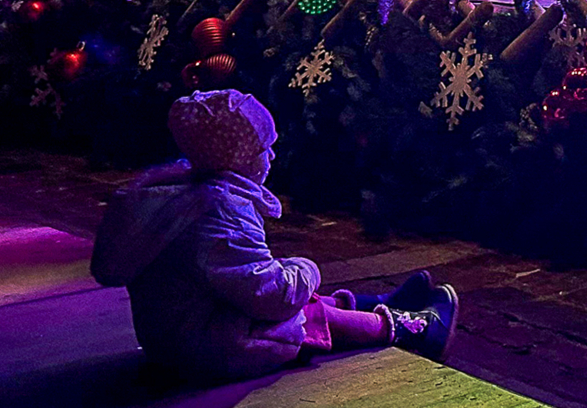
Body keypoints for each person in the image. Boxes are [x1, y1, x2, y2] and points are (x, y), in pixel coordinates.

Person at [91, 89, 457, 381]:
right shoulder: (216, 213)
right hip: (204, 349)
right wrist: (307, 267)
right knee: (297, 309)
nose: (272, 157)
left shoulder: (183, 193)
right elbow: (270, 297)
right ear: (238, 158)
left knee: (283, 288)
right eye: (264, 149)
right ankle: (403, 329)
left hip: (177, 334)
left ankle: (370, 302)